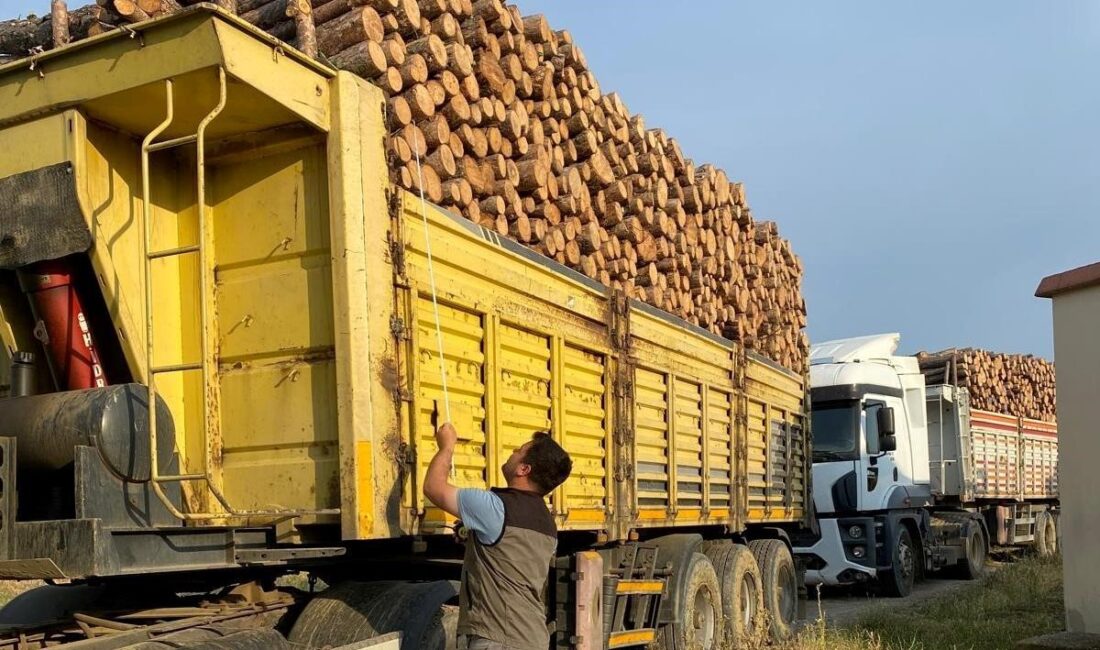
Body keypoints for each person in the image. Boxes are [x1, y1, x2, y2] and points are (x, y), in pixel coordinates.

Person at [423, 422, 573, 650]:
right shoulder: (547, 524)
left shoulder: (495, 507)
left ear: (524, 469)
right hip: (533, 638)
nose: (513, 452)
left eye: (519, 450)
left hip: (499, 641)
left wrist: (446, 446)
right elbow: (509, 559)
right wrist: (476, 539)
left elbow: (434, 488)